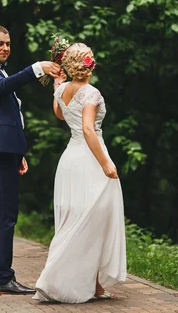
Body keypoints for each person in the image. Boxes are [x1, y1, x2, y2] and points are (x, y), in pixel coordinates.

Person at [33, 43, 127, 303]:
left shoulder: (62, 89)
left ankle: (94, 286)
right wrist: (105, 163)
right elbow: (88, 130)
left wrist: (57, 86)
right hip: (89, 159)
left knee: (79, 219)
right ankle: (53, 279)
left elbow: (61, 115)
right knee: (92, 221)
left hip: (69, 161)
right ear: (89, 65)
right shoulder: (92, 93)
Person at [0, 24, 61, 295]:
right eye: (0, 44)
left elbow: (8, 115)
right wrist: (36, 68)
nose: (5, 48)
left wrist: (18, 151)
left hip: (4, 150)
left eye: (8, 43)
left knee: (0, 212)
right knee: (7, 214)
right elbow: (2, 88)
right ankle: (3, 279)